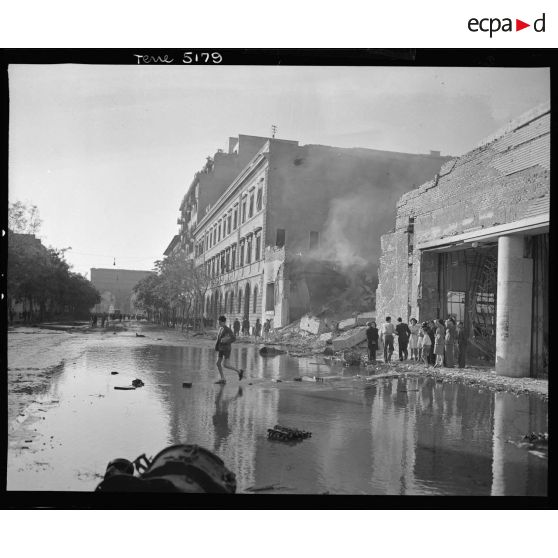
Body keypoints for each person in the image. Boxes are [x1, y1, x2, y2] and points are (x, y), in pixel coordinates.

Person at [214, 315, 244, 384]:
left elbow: (234, 338)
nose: (219, 323)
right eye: (219, 322)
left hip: (226, 349)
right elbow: (219, 339)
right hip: (221, 348)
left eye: (220, 322)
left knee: (225, 365)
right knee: (218, 363)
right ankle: (223, 378)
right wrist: (216, 347)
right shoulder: (220, 329)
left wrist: (226, 341)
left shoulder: (227, 329)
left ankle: (239, 371)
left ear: (224, 322)